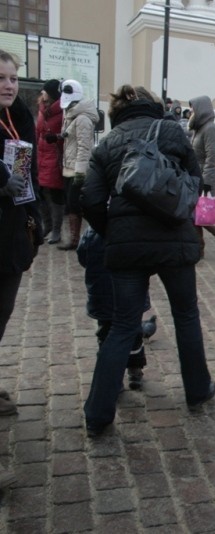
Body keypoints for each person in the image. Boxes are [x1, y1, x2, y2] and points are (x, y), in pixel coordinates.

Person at [80, 84, 215, 437]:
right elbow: (196, 180)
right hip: (174, 239)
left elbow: (91, 200)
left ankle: (97, 413)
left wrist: (112, 231)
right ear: (151, 105)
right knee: (186, 315)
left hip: (127, 247)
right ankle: (198, 390)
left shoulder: (107, 143)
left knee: (123, 325)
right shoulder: (170, 129)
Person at [0, 48, 43, 489]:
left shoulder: (19, 119)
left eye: (13, 77)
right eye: (0, 78)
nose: (9, 84)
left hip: (10, 242)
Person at [77, 227, 148, 390]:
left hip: (102, 297)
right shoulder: (133, 231)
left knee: (106, 336)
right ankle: (135, 372)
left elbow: (82, 257)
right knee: (133, 334)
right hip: (130, 295)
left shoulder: (91, 233)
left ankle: (112, 379)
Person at [57, 79, 99, 251]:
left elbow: (84, 147)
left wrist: (80, 171)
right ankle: (75, 239)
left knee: (76, 204)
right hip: (70, 167)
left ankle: (77, 239)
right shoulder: (72, 115)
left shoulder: (82, 118)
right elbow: (70, 138)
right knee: (71, 204)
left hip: (77, 169)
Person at [188, 95, 215, 256]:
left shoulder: (210, 129)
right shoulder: (199, 128)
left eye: (193, 109)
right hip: (195, 178)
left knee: (203, 215)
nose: (191, 112)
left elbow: (211, 158)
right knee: (194, 215)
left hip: (205, 179)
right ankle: (199, 249)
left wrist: (206, 183)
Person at [37, 79, 66, 245]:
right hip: (41, 155)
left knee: (56, 193)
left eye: (45, 91)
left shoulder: (62, 112)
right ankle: (46, 225)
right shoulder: (42, 110)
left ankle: (56, 230)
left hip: (54, 156)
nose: (42, 93)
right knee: (40, 190)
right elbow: (37, 131)